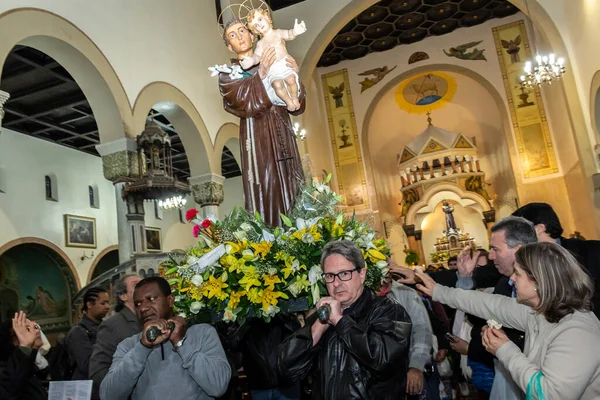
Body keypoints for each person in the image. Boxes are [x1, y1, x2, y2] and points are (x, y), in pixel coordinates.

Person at [415, 242, 600, 399]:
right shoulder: (539, 312)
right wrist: (438, 291)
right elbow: (490, 304)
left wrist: (504, 349)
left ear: (538, 281)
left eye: (517, 273)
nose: (511, 279)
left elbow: (549, 395)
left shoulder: (577, 331)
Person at [278, 240, 412, 399]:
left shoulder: (388, 310)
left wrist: (340, 321)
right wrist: (319, 326)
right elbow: (286, 370)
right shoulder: (321, 316)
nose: (336, 283)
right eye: (330, 276)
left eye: (344, 274)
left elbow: (383, 360)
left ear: (362, 274)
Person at [219, 17, 305, 227]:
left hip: (282, 130)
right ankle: (272, 235)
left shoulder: (275, 56)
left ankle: (303, 233)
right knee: (268, 184)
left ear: (252, 34)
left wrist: (294, 75)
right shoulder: (229, 74)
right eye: (233, 35)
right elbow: (238, 100)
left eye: (242, 31)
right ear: (229, 46)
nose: (239, 36)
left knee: (292, 182)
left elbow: (297, 106)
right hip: (258, 137)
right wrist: (262, 73)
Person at [100, 276, 231, 399]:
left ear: (170, 300)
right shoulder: (129, 345)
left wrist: (180, 343)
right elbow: (108, 396)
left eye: (151, 299)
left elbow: (218, 386)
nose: (143, 308)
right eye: (138, 304)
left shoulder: (203, 333)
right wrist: (143, 347)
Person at [512, 202, 600, 318]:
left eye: (520, 232)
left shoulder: (592, 250)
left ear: (539, 228)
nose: (515, 239)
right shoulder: (526, 262)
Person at [378, 272, 436, 399]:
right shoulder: (361, 295)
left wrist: (416, 366)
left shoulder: (406, 293)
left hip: (406, 369)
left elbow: (422, 330)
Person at [242, 8, 306, 111]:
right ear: (255, 31)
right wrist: (251, 61)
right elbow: (257, 56)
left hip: (285, 64)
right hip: (273, 69)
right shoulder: (260, 43)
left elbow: (289, 35)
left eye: (260, 19)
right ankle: (288, 102)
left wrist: (295, 31)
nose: (259, 25)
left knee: (291, 80)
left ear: (267, 17)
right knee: (277, 85)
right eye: (255, 26)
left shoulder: (278, 33)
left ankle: (294, 99)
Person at [89, 274, 142, 399]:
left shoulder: (154, 319)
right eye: (136, 285)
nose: (144, 287)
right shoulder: (112, 325)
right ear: (123, 296)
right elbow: (98, 371)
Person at [229, 314, 301, 400]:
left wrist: (279, 313)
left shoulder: (281, 313)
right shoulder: (243, 316)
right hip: (259, 385)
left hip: (286, 384)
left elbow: (298, 333)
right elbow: (233, 344)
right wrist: (247, 320)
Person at [65, 287, 110, 380]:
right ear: (89, 304)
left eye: (108, 303)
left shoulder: (106, 327)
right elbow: (88, 366)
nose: (107, 307)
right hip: (88, 388)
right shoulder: (78, 333)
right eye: (103, 303)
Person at [0, 312, 46, 400]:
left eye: (36, 326)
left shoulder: (28, 364)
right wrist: (24, 346)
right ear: (15, 341)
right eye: (28, 329)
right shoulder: (5, 369)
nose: (37, 330)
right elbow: (9, 393)